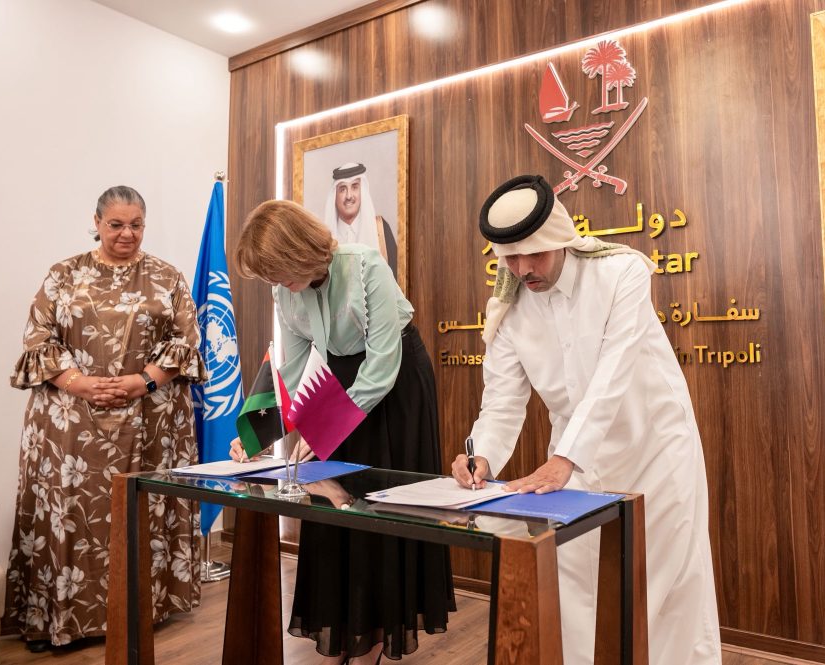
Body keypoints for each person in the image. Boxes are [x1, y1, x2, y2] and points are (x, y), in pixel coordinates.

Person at [451, 175, 721, 665]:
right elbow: (503, 401)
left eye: (534, 254)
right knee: (575, 584)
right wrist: (480, 455)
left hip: (656, 450)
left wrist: (564, 459)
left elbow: (611, 376)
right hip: (573, 466)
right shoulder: (509, 310)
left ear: (558, 238)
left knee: (666, 589)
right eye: (510, 258)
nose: (524, 268)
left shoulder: (623, 274)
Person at [232, 199, 453, 665]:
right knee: (330, 496)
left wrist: (327, 424)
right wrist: (263, 436)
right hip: (340, 383)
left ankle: (379, 632)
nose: (279, 285)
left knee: (380, 502)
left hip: (396, 387)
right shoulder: (283, 291)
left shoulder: (365, 264)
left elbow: (382, 365)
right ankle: (348, 630)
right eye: (270, 278)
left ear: (300, 249)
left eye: (280, 272)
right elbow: (292, 371)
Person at [3, 186, 205, 651]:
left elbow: (185, 343)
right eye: (116, 224)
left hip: (148, 426)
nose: (126, 233)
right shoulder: (63, 274)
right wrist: (81, 383)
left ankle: (141, 611)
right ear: (96, 222)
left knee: (138, 512)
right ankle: (63, 621)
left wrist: (143, 382)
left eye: (136, 224)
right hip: (70, 430)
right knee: (73, 514)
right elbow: (38, 340)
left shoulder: (167, 277)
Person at [323, 163, 399, 276]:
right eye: (343, 189)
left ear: (362, 191)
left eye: (354, 187)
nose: (349, 196)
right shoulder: (324, 238)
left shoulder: (380, 229)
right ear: (335, 195)